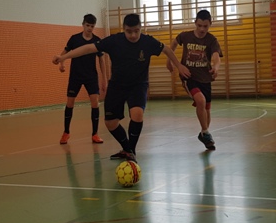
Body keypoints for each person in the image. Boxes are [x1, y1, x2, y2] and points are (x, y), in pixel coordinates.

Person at [52, 13, 190, 162]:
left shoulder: (148, 42)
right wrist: (63, 57)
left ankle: (131, 152)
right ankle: (127, 149)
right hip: (117, 86)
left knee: (137, 114)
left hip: (138, 85)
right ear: (123, 29)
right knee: (110, 123)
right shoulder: (114, 41)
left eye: (136, 31)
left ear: (140, 28)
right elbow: (88, 48)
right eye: (129, 31)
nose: (133, 35)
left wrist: (178, 65)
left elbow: (167, 50)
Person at [166, 9, 222, 150]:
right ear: (195, 23)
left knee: (207, 109)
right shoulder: (186, 36)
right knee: (200, 101)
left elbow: (216, 56)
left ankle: (204, 133)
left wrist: (216, 67)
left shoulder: (211, 40)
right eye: (199, 25)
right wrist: (169, 61)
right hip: (189, 76)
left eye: (205, 26)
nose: (202, 29)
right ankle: (206, 133)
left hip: (205, 78)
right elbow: (173, 44)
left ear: (210, 24)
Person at [58, 13, 109, 145]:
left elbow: (101, 60)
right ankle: (66, 132)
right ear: (83, 25)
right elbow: (64, 53)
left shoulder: (97, 41)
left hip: (91, 76)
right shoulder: (74, 39)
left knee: (95, 102)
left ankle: (95, 134)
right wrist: (61, 63)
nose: (89, 28)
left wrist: (104, 79)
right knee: (70, 103)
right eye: (87, 25)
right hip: (75, 76)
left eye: (92, 26)